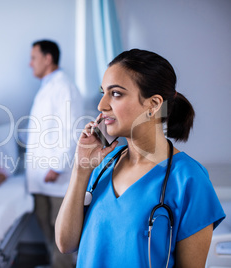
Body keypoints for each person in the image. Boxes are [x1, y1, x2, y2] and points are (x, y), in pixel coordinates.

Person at [55, 49, 225, 267]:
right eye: (103, 93)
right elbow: (65, 243)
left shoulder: (189, 179)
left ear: (153, 104)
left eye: (115, 93)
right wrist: (81, 168)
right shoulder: (103, 164)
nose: (101, 106)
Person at [26, 40, 84, 268]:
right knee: (47, 229)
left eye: (33, 58)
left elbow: (72, 130)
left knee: (62, 235)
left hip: (56, 175)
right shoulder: (47, 86)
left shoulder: (64, 87)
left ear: (48, 58)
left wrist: (58, 166)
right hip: (41, 176)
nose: (30, 63)